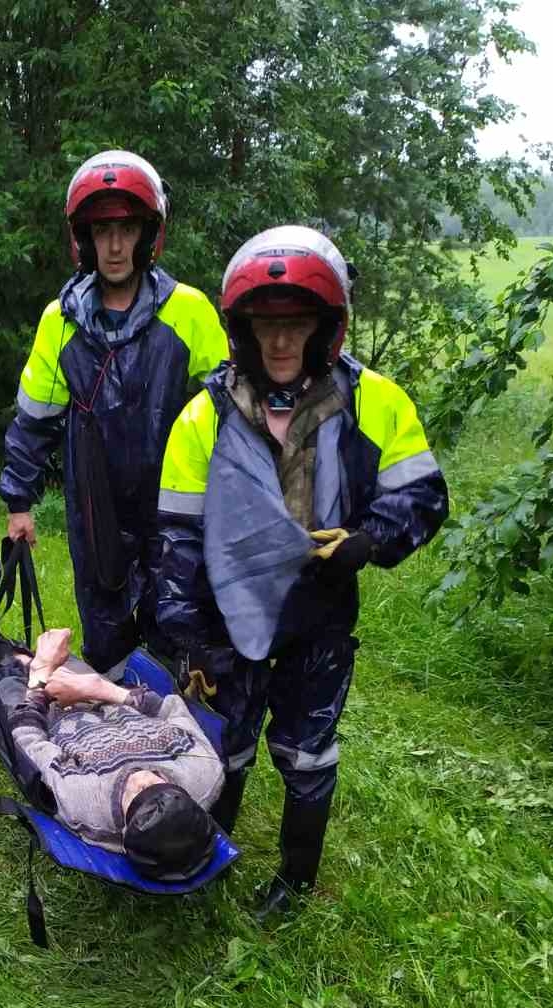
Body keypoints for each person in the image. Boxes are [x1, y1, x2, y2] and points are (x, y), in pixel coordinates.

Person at [156, 225, 448, 917]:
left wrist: (370, 540)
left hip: (319, 611)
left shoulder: (374, 400)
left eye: (296, 324)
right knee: (219, 748)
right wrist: (187, 637)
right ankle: (207, 859)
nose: (280, 342)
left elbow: (423, 495)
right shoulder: (205, 415)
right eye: (266, 325)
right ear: (243, 329)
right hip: (229, 614)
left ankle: (296, 880)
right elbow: (174, 539)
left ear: (324, 327)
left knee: (305, 751)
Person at [0, 150, 228, 673]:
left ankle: (185, 740)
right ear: (84, 238)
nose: (116, 245)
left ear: (149, 233)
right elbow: (35, 418)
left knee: (180, 622)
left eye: (126, 228)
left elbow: (233, 414)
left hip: (177, 503)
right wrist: (17, 501)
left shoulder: (188, 311)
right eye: (103, 231)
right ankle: (117, 739)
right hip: (95, 502)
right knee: (106, 630)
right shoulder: (61, 321)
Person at [0, 628, 223, 878]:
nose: (141, 778)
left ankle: (2, 651)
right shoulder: (204, 773)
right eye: (157, 782)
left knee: (7, 662)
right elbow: (170, 708)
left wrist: (40, 676)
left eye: (135, 794)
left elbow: (27, 741)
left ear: (123, 832)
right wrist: (101, 689)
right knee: (46, 650)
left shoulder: (84, 802)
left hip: (47, 714)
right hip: (108, 697)